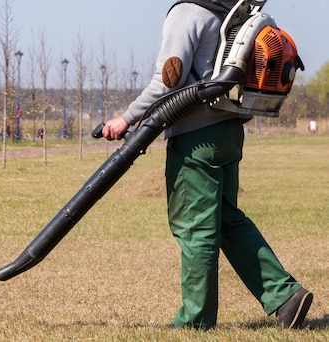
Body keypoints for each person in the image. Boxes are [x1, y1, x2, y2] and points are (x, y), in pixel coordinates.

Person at [102, 0, 313, 330]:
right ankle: (286, 296)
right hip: (228, 132)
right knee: (228, 220)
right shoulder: (231, 10)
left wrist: (124, 119)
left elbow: (168, 80)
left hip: (195, 139)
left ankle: (194, 321)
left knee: (194, 227)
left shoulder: (187, 13)